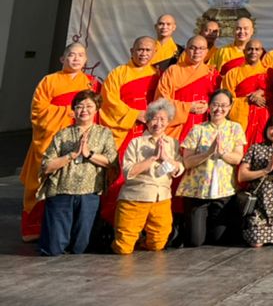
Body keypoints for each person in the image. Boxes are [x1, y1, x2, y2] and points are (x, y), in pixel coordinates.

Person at [21, 43, 99, 241]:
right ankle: (33, 228)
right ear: (62, 59)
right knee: (39, 181)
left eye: (80, 55)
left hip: (79, 138)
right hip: (50, 139)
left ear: (86, 60)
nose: (76, 59)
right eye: (71, 55)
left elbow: (97, 111)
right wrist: (67, 112)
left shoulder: (91, 83)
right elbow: (38, 112)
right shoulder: (49, 81)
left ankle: (69, 230)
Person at [37, 89, 116, 257]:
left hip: (89, 192)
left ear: (97, 109)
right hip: (62, 191)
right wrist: (71, 155)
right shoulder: (63, 134)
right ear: (73, 110)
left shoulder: (104, 133)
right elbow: (47, 166)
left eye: (89, 106)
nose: (84, 110)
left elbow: (112, 162)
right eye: (79, 106)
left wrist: (89, 154)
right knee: (54, 248)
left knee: (82, 247)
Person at [178, 88, 247, 248]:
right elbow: (187, 162)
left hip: (224, 191)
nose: (219, 109)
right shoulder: (198, 129)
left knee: (219, 239)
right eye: (215, 105)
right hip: (198, 192)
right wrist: (208, 153)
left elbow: (237, 158)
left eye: (224, 105)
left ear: (230, 107)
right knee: (196, 241)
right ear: (209, 106)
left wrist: (222, 152)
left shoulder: (235, 128)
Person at [113, 99, 181, 255]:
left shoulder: (173, 143)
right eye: (154, 119)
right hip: (135, 196)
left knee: (158, 243)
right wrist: (151, 158)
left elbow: (179, 168)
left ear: (169, 122)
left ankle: (143, 243)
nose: (158, 123)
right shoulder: (135, 143)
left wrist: (165, 157)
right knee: (123, 247)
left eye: (162, 119)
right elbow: (128, 172)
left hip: (161, 198)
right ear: (147, 121)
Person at [236, 111, 273, 248]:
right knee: (257, 243)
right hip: (258, 204)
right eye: (272, 127)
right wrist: (265, 171)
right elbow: (242, 175)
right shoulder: (255, 148)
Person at [155, 35, 220, 142]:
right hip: (177, 127)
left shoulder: (212, 74)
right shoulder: (173, 71)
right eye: (192, 48)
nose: (197, 51)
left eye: (201, 48)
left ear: (206, 51)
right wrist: (188, 107)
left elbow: (220, 101)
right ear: (186, 49)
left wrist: (208, 107)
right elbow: (161, 102)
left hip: (205, 126)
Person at [99, 36, 160, 150]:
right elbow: (108, 101)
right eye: (140, 49)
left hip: (151, 125)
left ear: (154, 52)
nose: (143, 53)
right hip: (125, 128)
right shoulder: (118, 73)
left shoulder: (158, 74)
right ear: (132, 51)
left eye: (148, 50)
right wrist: (134, 115)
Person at [222, 37, 270, 146]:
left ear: (262, 52)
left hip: (262, 118)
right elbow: (226, 100)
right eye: (250, 49)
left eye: (257, 49)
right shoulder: (232, 74)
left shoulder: (268, 73)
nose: (253, 52)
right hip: (241, 119)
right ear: (244, 51)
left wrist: (263, 93)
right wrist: (247, 99)